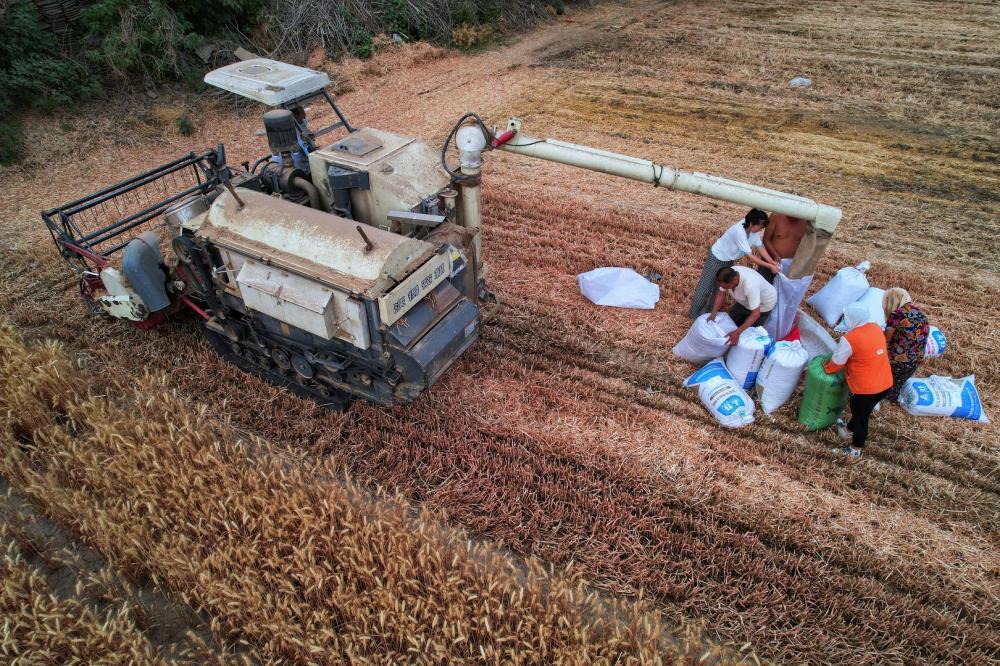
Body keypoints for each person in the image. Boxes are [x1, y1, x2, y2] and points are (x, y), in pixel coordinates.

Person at [823, 302, 893, 458]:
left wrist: (826, 367)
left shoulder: (849, 339)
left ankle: (855, 450)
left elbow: (836, 364)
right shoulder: (875, 328)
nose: (845, 319)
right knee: (861, 410)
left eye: (846, 317)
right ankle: (847, 431)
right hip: (885, 382)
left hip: (867, 388)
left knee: (861, 417)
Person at [689, 209, 781, 319]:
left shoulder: (754, 232)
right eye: (760, 227)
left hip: (729, 259)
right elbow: (750, 256)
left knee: (720, 287)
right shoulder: (739, 231)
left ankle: (709, 313)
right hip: (717, 257)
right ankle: (694, 314)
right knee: (705, 287)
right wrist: (770, 266)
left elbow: (760, 247)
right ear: (751, 223)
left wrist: (772, 261)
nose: (761, 230)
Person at [708, 266, 777, 345]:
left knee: (747, 335)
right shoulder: (728, 274)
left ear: (734, 281)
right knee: (730, 322)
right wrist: (713, 314)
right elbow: (721, 293)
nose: (723, 288)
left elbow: (756, 314)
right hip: (746, 301)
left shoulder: (750, 285)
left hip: (763, 305)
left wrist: (737, 332)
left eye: (725, 286)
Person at [883, 287, 929, 401]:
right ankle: (892, 397)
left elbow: (886, 339)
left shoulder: (897, 314)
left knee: (880, 385)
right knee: (893, 388)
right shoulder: (921, 313)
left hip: (896, 361)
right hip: (915, 361)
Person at [759, 212, 808, 283]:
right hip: (770, 260)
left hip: (791, 265)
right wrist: (775, 255)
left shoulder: (807, 220)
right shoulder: (776, 216)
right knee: (764, 285)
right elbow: (766, 239)